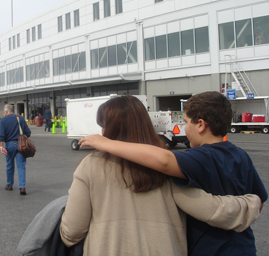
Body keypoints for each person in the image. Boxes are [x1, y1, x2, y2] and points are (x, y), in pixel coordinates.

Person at [61, 96, 262, 255]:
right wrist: (252, 203)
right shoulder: (166, 167)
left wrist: (103, 144)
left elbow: (72, 231)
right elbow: (211, 209)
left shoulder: (92, 165)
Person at [0, 104, 31, 195]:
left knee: (9, 165)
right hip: (20, 145)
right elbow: (28, 132)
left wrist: (1, 146)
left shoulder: (3, 120)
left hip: (9, 144)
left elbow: (1, 135)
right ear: (13, 110)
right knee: (21, 166)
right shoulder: (20, 118)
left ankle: (9, 184)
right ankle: (22, 186)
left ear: (5, 111)